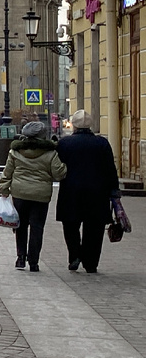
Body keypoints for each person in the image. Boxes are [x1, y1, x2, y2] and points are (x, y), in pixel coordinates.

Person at [0, 120, 67, 272]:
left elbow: (7, 172)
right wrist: (65, 167)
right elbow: (58, 174)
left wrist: (4, 189)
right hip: (40, 195)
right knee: (37, 228)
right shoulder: (50, 153)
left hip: (20, 193)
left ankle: (20, 257)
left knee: (20, 226)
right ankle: (34, 262)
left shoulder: (15, 151)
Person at [56, 110, 120, 273]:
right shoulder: (102, 143)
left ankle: (75, 255)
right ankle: (91, 263)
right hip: (97, 193)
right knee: (95, 228)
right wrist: (114, 191)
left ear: (74, 126)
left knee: (70, 225)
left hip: (71, 191)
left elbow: (58, 168)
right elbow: (110, 169)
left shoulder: (64, 144)